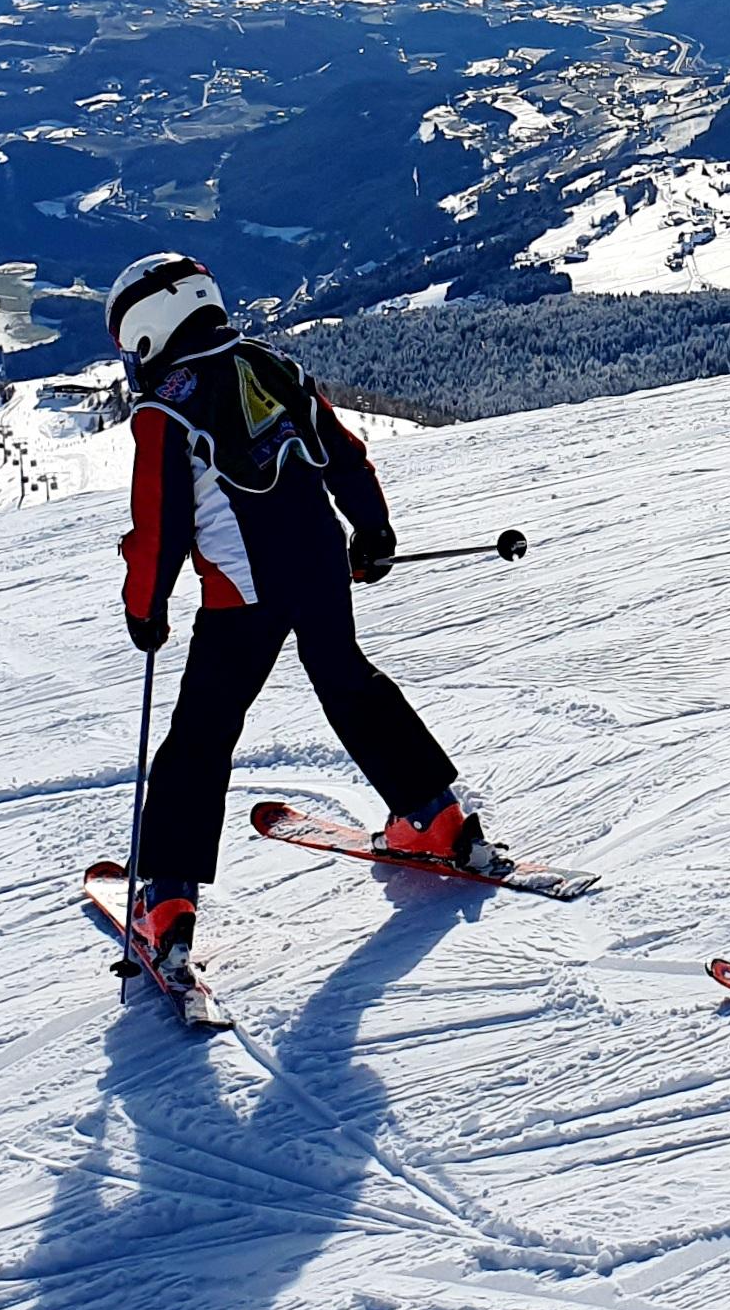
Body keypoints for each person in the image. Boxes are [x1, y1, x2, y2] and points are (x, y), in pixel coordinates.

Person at [110, 252, 479, 986]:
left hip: (243, 595)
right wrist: (371, 531)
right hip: (319, 568)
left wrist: (144, 607)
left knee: (202, 733)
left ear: (146, 332)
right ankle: (435, 816)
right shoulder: (270, 364)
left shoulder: (163, 409)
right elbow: (343, 453)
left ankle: (169, 899)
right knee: (349, 682)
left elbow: (159, 526)